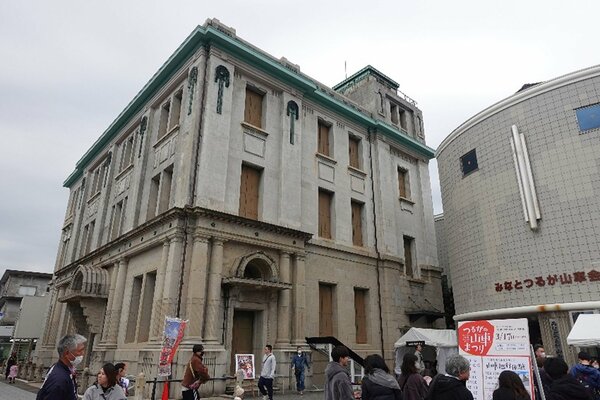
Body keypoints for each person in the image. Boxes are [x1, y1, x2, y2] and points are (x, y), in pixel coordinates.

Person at [36, 333, 87, 400]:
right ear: (67, 353)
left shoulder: (65, 370)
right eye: (80, 351)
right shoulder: (59, 379)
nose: (83, 353)